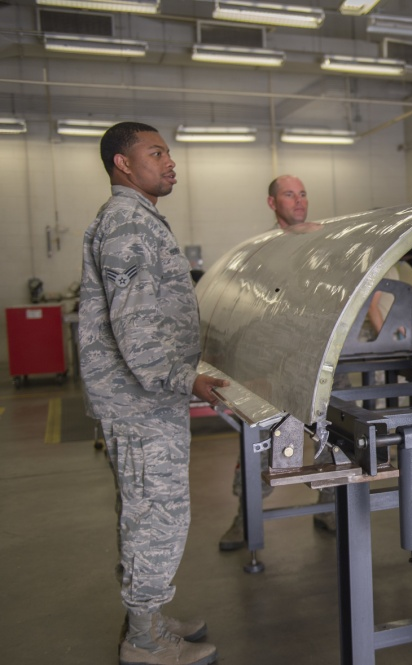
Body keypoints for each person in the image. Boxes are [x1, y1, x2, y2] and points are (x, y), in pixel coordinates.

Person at [79, 121, 228, 665]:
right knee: (157, 513)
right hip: (140, 400)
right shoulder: (125, 223)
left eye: (169, 153)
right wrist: (183, 378)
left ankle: (147, 617)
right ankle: (143, 641)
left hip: (143, 398)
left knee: (146, 510)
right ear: (124, 163)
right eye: (156, 153)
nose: (170, 162)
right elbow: (136, 325)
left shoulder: (136, 219)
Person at [217, 175, 338, 551]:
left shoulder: (325, 245)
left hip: (318, 357)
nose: (299, 201)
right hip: (273, 359)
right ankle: (245, 516)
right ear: (272, 203)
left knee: (335, 437)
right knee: (266, 440)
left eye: (303, 194)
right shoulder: (264, 250)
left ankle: (331, 507)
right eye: (289, 195)